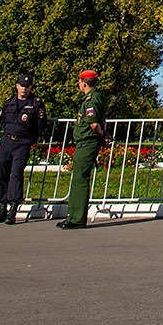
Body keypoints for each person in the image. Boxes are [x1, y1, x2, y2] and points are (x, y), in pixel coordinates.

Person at [0, 73, 46, 224]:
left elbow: (40, 124)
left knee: (16, 174)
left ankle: (13, 209)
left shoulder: (35, 104)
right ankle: (2, 208)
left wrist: (30, 138)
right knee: (1, 172)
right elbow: (2, 120)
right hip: (7, 141)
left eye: (27, 87)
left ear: (31, 88)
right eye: (22, 86)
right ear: (17, 86)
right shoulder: (9, 103)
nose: (24, 89)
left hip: (22, 143)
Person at [57, 69, 108, 229]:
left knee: (80, 179)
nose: (79, 85)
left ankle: (76, 218)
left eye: (79, 82)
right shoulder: (96, 96)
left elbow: (93, 124)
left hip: (87, 142)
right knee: (78, 178)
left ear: (84, 83)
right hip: (86, 142)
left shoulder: (91, 100)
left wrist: (103, 134)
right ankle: (72, 216)